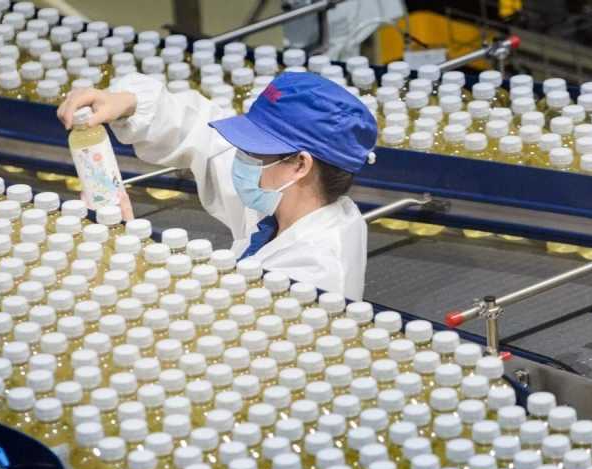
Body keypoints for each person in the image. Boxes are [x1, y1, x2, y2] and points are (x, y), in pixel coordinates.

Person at [58, 70, 377, 300]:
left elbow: (213, 329)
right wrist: (128, 102)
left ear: (300, 165)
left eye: (253, 149)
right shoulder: (287, 202)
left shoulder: (312, 272)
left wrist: (128, 248)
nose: (240, 156)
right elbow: (202, 133)